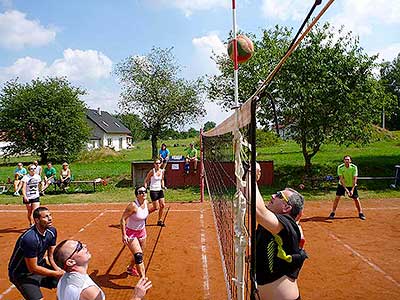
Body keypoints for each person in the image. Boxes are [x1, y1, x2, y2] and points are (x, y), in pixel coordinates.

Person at [255, 170, 307, 300]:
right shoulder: (270, 223)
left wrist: (251, 175)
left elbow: (257, 211)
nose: (273, 195)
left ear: (286, 207)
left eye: (279, 195)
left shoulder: (287, 225)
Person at [54, 239, 152, 300]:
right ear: (70, 262)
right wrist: (136, 297)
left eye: (80, 243)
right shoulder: (90, 291)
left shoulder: (62, 281)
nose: (84, 245)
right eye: (79, 247)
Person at [8, 206, 64, 300]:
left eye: (50, 215)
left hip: (40, 265)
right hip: (22, 274)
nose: (50, 218)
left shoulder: (52, 231)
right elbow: (33, 268)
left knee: (65, 281)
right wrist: (56, 274)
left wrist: (58, 269)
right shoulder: (30, 239)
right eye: (46, 216)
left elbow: (51, 256)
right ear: (37, 220)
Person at [120, 186, 153, 278]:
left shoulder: (146, 202)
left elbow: (144, 214)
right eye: (140, 192)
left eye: (145, 191)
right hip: (131, 233)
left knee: (140, 253)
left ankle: (130, 268)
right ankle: (143, 279)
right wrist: (124, 235)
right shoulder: (133, 206)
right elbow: (122, 219)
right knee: (138, 256)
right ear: (137, 195)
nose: (143, 193)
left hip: (142, 231)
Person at [329, 155, 366, 220]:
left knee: (356, 199)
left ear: (350, 161)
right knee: (337, 198)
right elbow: (341, 179)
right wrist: (346, 189)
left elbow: (355, 179)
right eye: (345, 159)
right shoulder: (340, 167)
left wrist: (352, 190)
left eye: (348, 159)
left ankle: (360, 213)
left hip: (352, 185)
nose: (347, 161)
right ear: (344, 161)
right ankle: (333, 212)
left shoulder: (354, 167)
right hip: (342, 185)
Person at [144, 159, 166, 227]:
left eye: (159, 163)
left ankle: (159, 220)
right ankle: (144, 215)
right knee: (156, 207)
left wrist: (163, 186)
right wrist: (145, 189)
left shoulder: (162, 171)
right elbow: (146, 180)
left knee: (162, 205)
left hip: (159, 190)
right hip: (153, 190)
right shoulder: (152, 171)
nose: (158, 164)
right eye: (156, 163)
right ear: (154, 164)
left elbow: (162, 179)